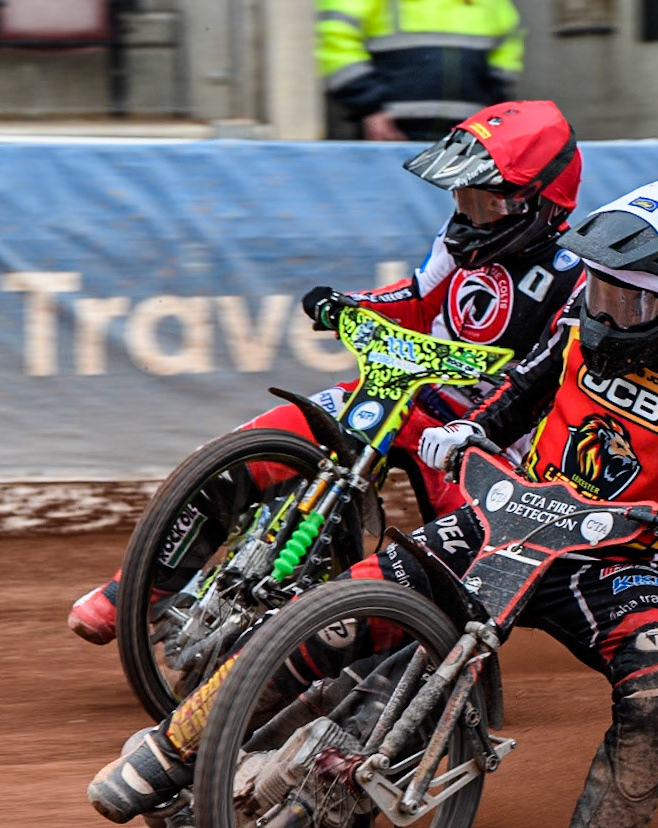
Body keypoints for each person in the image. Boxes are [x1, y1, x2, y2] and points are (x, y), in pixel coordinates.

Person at [88, 178, 658, 828]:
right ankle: (173, 749)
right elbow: (516, 389)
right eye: (600, 288)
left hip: (615, 565)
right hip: (502, 518)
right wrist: (468, 428)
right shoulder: (577, 326)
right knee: (338, 609)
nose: (606, 310)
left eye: (629, 300)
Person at [67, 99, 586, 645]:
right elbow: (415, 298)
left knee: (443, 583)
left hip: (493, 448)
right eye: (462, 198)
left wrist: (480, 432)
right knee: (252, 448)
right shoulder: (459, 242)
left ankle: (342, 649)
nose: (466, 216)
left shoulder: (576, 278)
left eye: (483, 202)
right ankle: (135, 590)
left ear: (542, 202)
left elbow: (546, 380)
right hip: (409, 396)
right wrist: (351, 304)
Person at [318, 0, 523, 142]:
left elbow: (506, 55)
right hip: (390, 135)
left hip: (467, 139)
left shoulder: (494, 4)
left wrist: (492, 118)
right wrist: (370, 109)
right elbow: (335, 43)